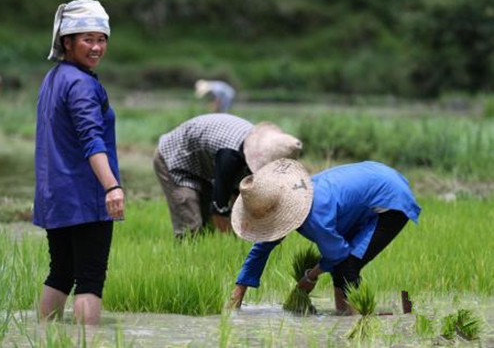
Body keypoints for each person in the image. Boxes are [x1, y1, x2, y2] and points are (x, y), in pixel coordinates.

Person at [228, 158, 421, 315]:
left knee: (348, 266)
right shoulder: (291, 196)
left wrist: (309, 278)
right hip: (371, 181)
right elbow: (262, 247)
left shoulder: (314, 217)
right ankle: (343, 315)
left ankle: (361, 325)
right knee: (341, 268)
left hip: (390, 200)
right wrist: (237, 295)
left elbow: (337, 255)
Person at [33, 0, 124, 325]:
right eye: (88, 39)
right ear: (66, 41)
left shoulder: (54, 77)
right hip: (85, 196)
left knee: (61, 273)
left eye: (101, 40)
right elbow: (91, 140)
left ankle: (44, 337)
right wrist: (111, 186)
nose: (96, 47)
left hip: (56, 196)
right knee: (89, 278)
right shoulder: (82, 85)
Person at [154, 114, 303, 239]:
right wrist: (230, 242)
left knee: (207, 225)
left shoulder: (255, 148)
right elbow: (220, 208)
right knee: (191, 224)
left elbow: (242, 197)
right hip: (175, 159)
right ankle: (183, 263)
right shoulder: (230, 158)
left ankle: (203, 258)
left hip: (204, 163)